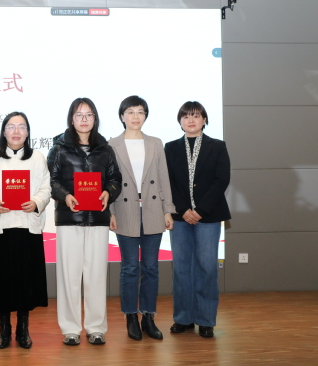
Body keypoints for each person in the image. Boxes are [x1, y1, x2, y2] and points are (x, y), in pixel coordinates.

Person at [47, 97, 122, 346]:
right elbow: (51, 181)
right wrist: (65, 196)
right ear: (71, 118)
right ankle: (70, 328)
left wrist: (108, 193)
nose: (84, 119)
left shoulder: (105, 148)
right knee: (68, 275)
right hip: (69, 219)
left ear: (95, 118)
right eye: (79, 115)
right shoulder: (59, 148)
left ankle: (96, 328)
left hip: (98, 218)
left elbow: (115, 179)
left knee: (96, 275)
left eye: (89, 115)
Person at [0, 111, 51, 349]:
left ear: (28, 132)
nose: (16, 131)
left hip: (28, 227)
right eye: (11, 127)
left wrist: (37, 202)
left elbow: (46, 188)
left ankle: (23, 327)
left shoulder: (38, 158)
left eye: (22, 127)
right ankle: (4, 327)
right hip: (2, 227)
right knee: (3, 281)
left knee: (25, 281)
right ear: (3, 132)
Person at [108, 96, 175, 341]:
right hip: (124, 210)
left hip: (153, 209)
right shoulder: (111, 145)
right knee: (129, 268)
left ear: (145, 116)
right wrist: (110, 212)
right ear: (122, 116)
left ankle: (148, 316)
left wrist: (168, 210)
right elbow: (107, 181)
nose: (135, 116)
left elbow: (164, 177)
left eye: (140, 112)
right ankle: (130, 316)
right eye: (130, 111)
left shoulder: (155, 143)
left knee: (151, 267)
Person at [164, 101, 231, 338]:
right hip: (180, 217)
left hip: (209, 216)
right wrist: (183, 209)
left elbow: (222, 180)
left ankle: (205, 320)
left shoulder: (217, 146)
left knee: (207, 267)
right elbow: (168, 182)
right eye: (186, 116)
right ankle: (183, 318)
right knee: (181, 268)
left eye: (196, 116)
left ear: (204, 119)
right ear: (180, 121)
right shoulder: (170, 148)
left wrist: (201, 210)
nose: (191, 120)